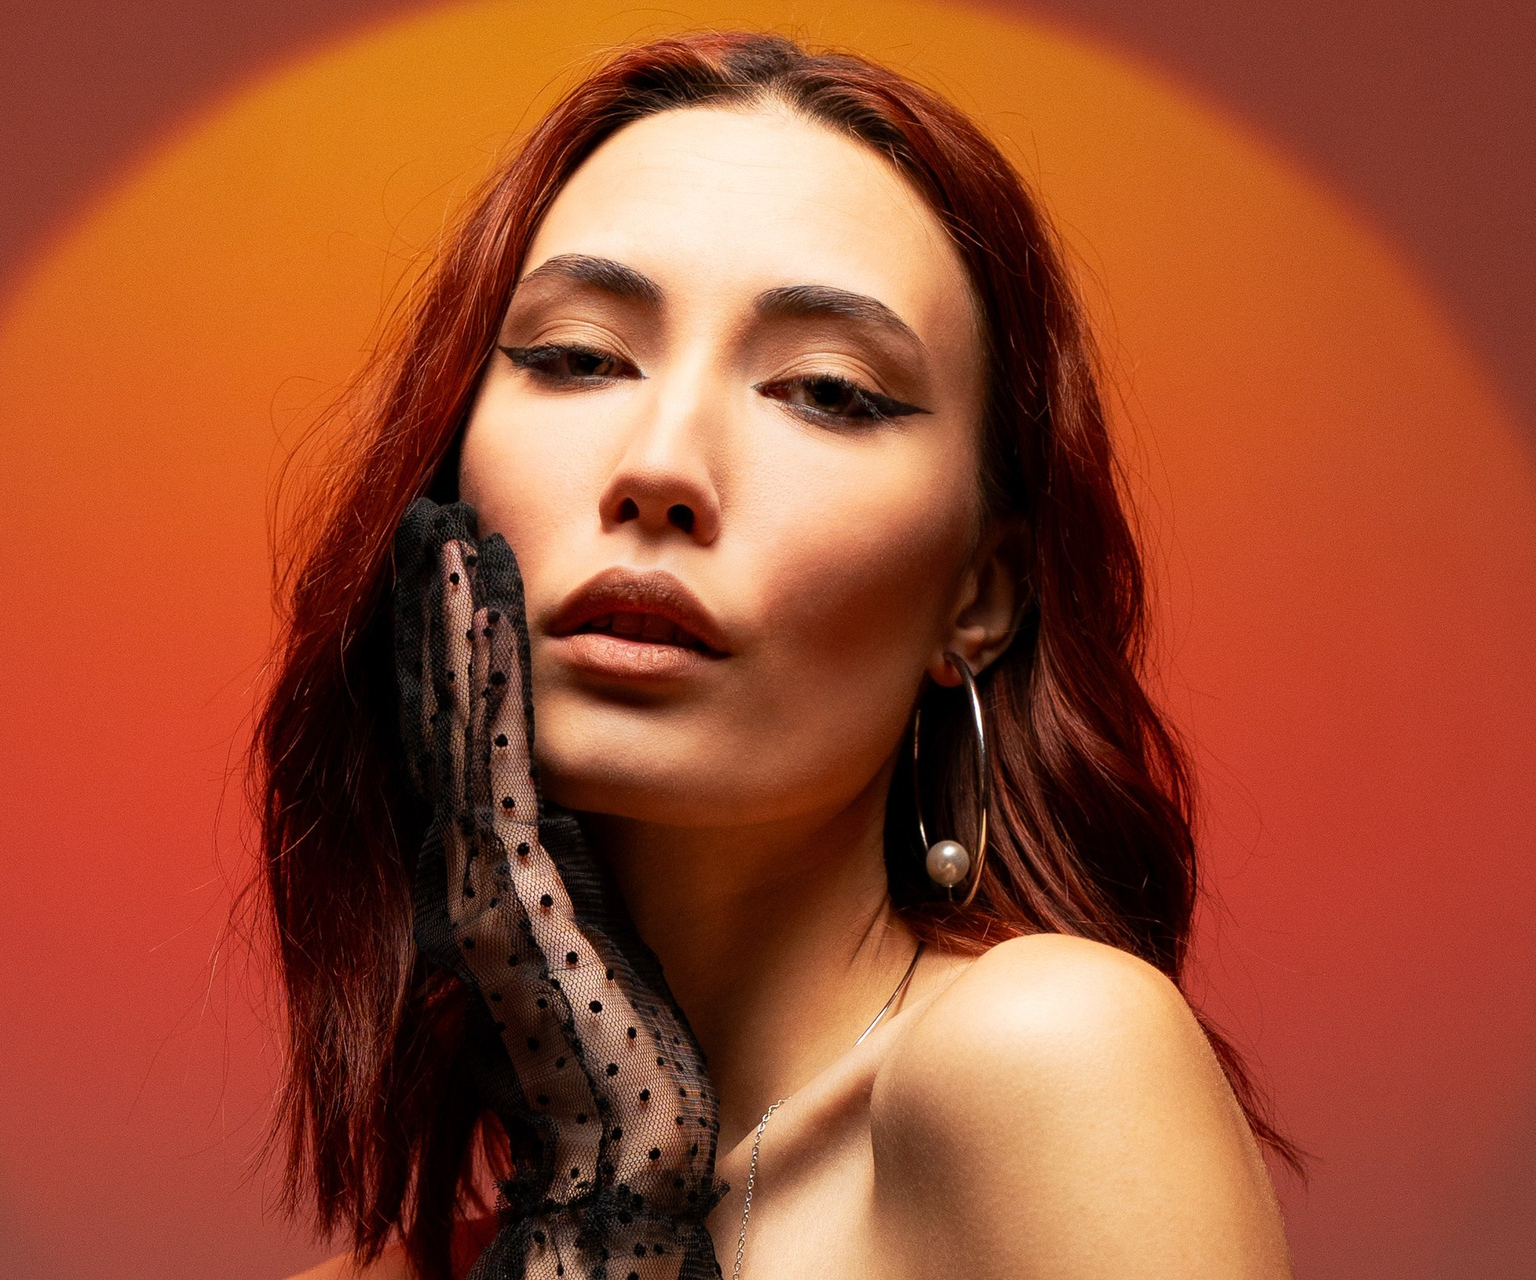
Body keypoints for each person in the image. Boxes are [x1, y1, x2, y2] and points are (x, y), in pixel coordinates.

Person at [259, 30, 1298, 1280]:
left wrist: (616, 1188)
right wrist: (598, 1167)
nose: (660, 466)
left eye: (826, 389)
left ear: (980, 595)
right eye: (578, 356)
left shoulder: (1047, 1055)